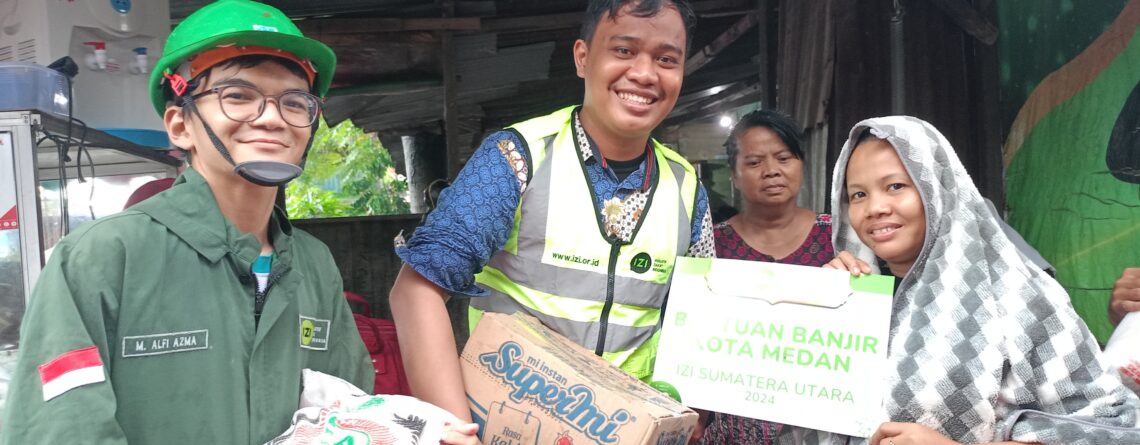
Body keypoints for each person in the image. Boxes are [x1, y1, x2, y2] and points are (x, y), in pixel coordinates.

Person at [0, 1, 477, 444]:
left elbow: (346, 416)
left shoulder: (312, 264)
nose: (271, 117)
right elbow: (59, 430)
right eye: (238, 95)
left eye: (294, 102)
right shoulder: (103, 258)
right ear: (180, 125)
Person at [388, 0, 714, 434]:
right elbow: (415, 292)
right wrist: (457, 433)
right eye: (623, 50)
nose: (644, 73)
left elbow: (703, 321)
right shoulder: (516, 157)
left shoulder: (687, 187)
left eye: (666, 59)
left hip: (628, 431)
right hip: (509, 426)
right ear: (582, 57)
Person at [821, 116, 1140, 445]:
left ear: (938, 187)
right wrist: (821, 308)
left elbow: (1115, 426)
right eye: (858, 194)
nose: (875, 208)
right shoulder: (857, 296)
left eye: (895, 186)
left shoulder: (1019, 297)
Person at [701, 109, 833, 445]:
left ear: (801, 163)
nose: (771, 171)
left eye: (783, 158)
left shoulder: (837, 239)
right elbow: (694, 338)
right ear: (734, 174)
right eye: (755, 162)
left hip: (820, 427)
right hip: (731, 431)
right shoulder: (710, 244)